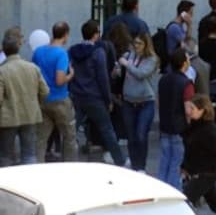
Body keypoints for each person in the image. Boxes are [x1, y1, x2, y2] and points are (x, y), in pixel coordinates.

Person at [69, 20, 127, 166]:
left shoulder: (72, 51)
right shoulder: (98, 52)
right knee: (107, 130)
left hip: (77, 96)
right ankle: (119, 160)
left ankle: (66, 159)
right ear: (96, 35)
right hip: (95, 97)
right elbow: (103, 78)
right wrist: (108, 99)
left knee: (71, 131)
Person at [0, 35, 50, 166]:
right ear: (18, 49)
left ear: (4, 50)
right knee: (29, 154)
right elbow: (45, 91)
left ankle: (6, 185)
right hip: (31, 115)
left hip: (8, 118)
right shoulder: (32, 68)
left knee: (6, 156)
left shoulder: (2, 71)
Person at [33, 22, 78, 163]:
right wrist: (71, 75)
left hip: (42, 99)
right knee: (69, 137)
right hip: (60, 99)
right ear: (65, 35)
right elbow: (59, 80)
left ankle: (37, 167)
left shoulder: (38, 52)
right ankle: (70, 168)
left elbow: (34, 74)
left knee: (41, 139)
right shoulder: (61, 54)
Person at [117, 32, 158, 172]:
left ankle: (141, 165)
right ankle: (134, 164)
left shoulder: (151, 59)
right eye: (135, 43)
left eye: (139, 43)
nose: (136, 46)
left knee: (141, 134)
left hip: (146, 101)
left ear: (146, 45)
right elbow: (123, 71)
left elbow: (141, 74)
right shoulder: (131, 55)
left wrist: (126, 64)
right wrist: (117, 68)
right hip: (129, 100)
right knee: (131, 136)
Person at [158, 49, 195, 190]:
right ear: (184, 63)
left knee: (165, 161)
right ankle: (173, 192)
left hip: (165, 126)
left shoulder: (163, 80)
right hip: (179, 128)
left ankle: (160, 190)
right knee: (176, 163)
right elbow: (188, 109)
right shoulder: (186, 83)